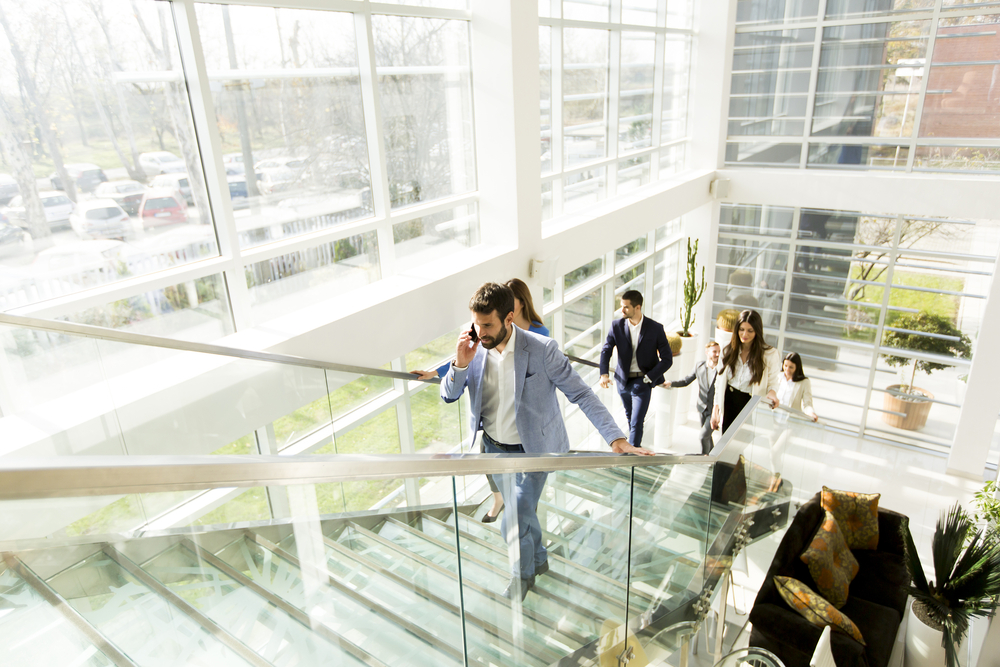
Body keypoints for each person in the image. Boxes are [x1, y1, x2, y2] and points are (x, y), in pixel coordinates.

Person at [441, 282, 652, 601]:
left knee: (511, 522)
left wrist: (616, 438)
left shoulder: (542, 350)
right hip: (494, 452)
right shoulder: (473, 346)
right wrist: (459, 363)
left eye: (488, 325)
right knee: (522, 514)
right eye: (477, 324)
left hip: (534, 453)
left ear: (509, 318)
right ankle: (539, 560)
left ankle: (521, 578)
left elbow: (581, 393)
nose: (480, 331)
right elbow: (448, 394)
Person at [599, 290, 673, 449]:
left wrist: (650, 377)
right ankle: (632, 452)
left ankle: (631, 456)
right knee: (630, 417)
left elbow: (667, 359)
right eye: (621, 307)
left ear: (637, 307)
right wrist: (604, 374)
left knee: (637, 422)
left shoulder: (655, 328)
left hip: (642, 381)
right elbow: (606, 350)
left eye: (625, 307)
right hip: (622, 381)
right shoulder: (616, 325)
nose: (622, 310)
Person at [710, 309, 780, 433]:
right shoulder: (727, 349)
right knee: (724, 443)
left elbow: (773, 382)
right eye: (741, 329)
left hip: (749, 405)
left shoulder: (769, 354)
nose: (744, 334)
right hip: (728, 402)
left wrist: (772, 393)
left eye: (750, 330)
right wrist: (715, 408)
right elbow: (719, 381)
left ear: (757, 331)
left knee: (743, 445)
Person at [768, 352, 819, 491]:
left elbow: (807, 403)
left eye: (791, 367)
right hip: (775, 422)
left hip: (791, 424)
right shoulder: (778, 377)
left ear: (797, 367)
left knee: (775, 452)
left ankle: (776, 480)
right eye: (785, 366)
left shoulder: (804, 382)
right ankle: (777, 479)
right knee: (774, 453)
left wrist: (811, 413)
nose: (787, 370)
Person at [664, 341, 720, 454]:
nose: (718, 354)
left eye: (719, 352)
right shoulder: (699, 366)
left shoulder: (722, 370)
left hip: (714, 411)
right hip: (701, 408)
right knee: (707, 436)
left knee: (703, 436)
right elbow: (686, 381)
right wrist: (671, 383)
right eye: (715, 351)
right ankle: (715, 459)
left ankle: (703, 458)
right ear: (707, 352)